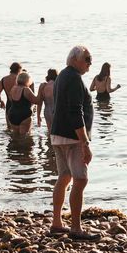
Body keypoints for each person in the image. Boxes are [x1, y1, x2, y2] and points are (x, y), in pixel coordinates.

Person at [50, 46, 96, 240]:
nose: (89, 63)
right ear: (75, 59)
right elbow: (75, 111)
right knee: (80, 179)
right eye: (87, 59)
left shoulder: (62, 76)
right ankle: (76, 228)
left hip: (57, 134)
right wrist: (85, 143)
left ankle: (57, 222)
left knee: (65, 176)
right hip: (72, 136)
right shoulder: (75, 79)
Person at [6, 71, 37, 135]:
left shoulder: (13, 88)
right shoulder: (26, 89)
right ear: (27, 80)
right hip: (24, 115)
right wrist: (41, 92)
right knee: (24, 137)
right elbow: (36, 101)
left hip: (12, 114)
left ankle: (14, 145)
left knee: (15, 135)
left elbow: (10, 99)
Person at [0, 62, 22, 128]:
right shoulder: (20, 79)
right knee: (21, 128)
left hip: (9, 106)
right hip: (20, 106)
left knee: (9, 128)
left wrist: (1, 101)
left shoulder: (3, 79)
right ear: (19, 70)